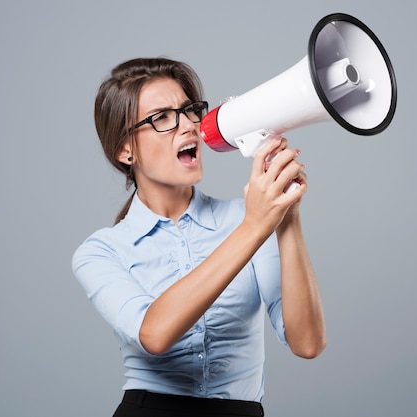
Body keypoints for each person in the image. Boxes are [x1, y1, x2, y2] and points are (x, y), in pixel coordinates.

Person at [71, 57, 326, 417]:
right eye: (161, 118)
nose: (189, 125)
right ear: (125, 150)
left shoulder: (248, 215)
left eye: (190, 111)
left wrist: (287, 215)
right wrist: (255, 226)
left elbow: (308, 343)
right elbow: (154, 334)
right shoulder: (99, 252)